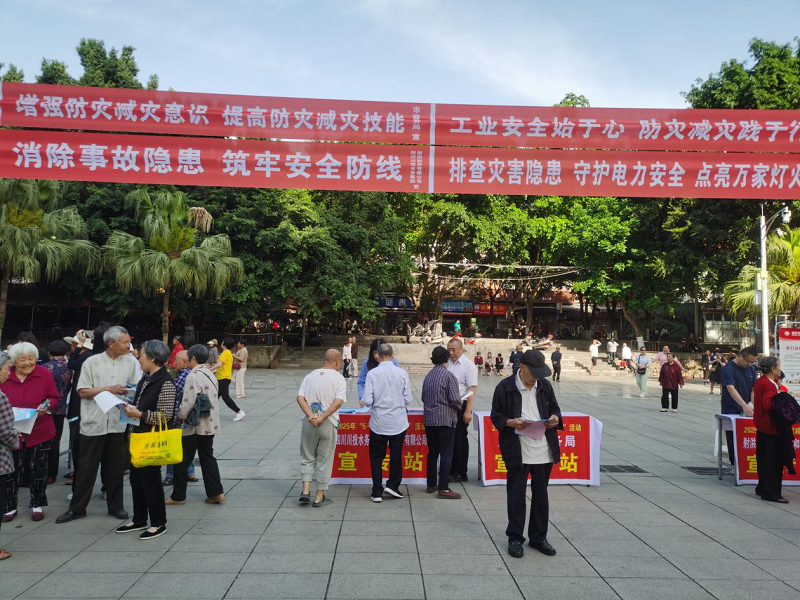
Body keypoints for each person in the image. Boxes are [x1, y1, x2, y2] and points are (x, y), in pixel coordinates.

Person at [56, 326, 139, 524]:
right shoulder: (92, 362)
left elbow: (135, 388)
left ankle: (116, 506)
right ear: (112, 343)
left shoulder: (130, 363)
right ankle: (77, 508)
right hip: (94, 422)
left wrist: (129, 393)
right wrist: (108, 389)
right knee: (86, 468)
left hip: (117, 422)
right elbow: (82, 391)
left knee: (115, 468)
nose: (128, 346)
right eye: (125, 342)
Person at [491, 350, 562, 559]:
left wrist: (555, 418)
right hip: (517, 449)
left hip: (543, 449)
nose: (536, 378)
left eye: (540, 374)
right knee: (516, 494)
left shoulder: (544, 386)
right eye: (533, 373)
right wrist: (511, 422)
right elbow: (496, 417)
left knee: (541, 495)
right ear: (522, 367)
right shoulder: (505, 387)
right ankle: (515, 538)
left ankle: (539, 537)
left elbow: (556, 409)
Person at [117, 340, 175, 540]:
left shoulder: (165, 382)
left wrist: (140, 414)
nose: (138, 357)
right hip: (138, 438)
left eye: (141, 354)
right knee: (136, 480)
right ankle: (139, 518)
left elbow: (165, 416)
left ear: (153, 358)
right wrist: (129, 407)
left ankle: (158, 522)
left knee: (151, 482)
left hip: (151, 441)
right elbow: (141, 404)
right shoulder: (146, 377)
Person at [1, 342, 60, 523]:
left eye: (31, 358)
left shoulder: (44, 374)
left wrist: (47, 406)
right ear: (13, 361)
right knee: (10, 470)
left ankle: (37, 503)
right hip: (11, 431)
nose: (28, 363)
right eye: (23, 359)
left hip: (39, 428)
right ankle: (9, 506)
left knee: (38, 468)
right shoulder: (5, 375)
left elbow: (54, 397)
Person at [168, 344, 226, 507]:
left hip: (194, 425)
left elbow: (188, 401)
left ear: (193, 359)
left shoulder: (193, 375)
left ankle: (178, 495)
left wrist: (179, 416)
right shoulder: (210, 373)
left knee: (182, 459)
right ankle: (216, 492)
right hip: (210, 423)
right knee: (207, 457)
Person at [295, 349, 346, 507]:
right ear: (337, 362)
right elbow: (338, 402)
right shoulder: (339, 378)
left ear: (325, 360)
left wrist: (311, 415)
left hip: (309, 421)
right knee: (325, 459)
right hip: (328, 422)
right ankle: (319, 496)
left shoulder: (310, 376)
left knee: (307, 456)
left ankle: (305, 490)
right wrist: (322, 417)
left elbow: (300, 398)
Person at [362, 343, 412, 502]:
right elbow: (408, 399)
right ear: (393, 355)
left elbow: (367, 400)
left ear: (377, 355)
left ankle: (377, 491)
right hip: (398, 421)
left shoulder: (372, 374)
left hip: (379, 421)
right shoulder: (402, 373)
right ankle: (393, 485)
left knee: (377, 456)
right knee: (396, 454)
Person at [421, 346, 462, 499]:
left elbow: (423, 397)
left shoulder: (429, 376)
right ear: (447, 358)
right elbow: (455, 399)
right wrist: (460, 404)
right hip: (445, 419)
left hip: (430, 420)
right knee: (446, 453)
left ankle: (431, 484)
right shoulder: (448, 375)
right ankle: (444, 488)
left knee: (432, 452)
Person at [64, 328, 101, 485]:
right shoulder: (89, 357)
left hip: (80, 408)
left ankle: (79, 477)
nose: (72, 347)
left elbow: (71, 364)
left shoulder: (86, 357)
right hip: (81, 406)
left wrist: (79, 346)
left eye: (74, 344)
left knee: (78, 444)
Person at [753, 356, 787, 503]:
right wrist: (782, 401)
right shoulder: (769, 385)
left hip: (762, 426)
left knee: (763, 459)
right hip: (771, 427)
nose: (780, 368)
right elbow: (768, 404)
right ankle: (771, 493)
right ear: (773, 369)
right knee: (773, 462)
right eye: (778, 366)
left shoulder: (760, 381)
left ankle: (762, 487)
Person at [446, 338, 478, 483]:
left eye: (453, 350)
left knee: (460, 439)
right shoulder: (448, 363)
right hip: (448, 407)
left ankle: (461, 472)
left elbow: (472, 389)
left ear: (461, 349)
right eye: (449, 350)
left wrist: (468, 411)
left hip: (461, 406)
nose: (451, 353)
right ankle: (451, 468)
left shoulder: (468, 366)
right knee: (450, 439)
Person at [720, 346, 758, 466]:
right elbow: (731, 388)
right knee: (733, 438)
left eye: (753, 362)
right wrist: (744, 406)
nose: (750, 364)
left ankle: (746, 465)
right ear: (740, 356)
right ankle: (734, 464)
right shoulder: (728, 368)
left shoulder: (751, 369)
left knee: (748, 438)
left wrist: (753, 405)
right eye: (748, 361)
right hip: (732, 409)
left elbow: (753, 389)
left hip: (748, 410)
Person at [42, 340, 73, 484]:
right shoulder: (69, 370)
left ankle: (41, 470)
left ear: (49, 352)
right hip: (60, 409)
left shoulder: (44, 368)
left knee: (43, 440)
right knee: (56, 441)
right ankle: (52, 474)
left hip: (45, 409)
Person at [163, 351, 195, 486]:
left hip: (178, 415)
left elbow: (173, 392)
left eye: (176, 360)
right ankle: (190, 472)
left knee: (174, 445)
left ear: (185, 362)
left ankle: (170, 475)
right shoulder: (188, 373)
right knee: (185, 445)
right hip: (185, 416)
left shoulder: (184, 374)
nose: (174, 363)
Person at [0, 352, 18, 560]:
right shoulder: (1, 397)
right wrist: (16, 439)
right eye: (6, 368)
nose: (9, 373)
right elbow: (5, 431)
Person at [211, 337, 245, 422]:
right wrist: (214, 371)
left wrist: (209, 370)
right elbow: (223, 367)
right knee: (215, 396)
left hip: (223, 378)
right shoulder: (228, 353)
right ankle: (211, 412)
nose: (221, 343)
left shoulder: (225, 353)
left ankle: (239, 412)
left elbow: (219, 364)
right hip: (223, 377)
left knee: (225, 397)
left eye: (222, 342)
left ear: (224, 344)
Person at [357, 338, 398, 405]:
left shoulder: (393, 361)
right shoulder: (367, 363)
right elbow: (361, 382)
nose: (376, 356)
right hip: (371, 400)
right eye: (374, 353)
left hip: (390, 399)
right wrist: (361, 397)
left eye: (378, 353)